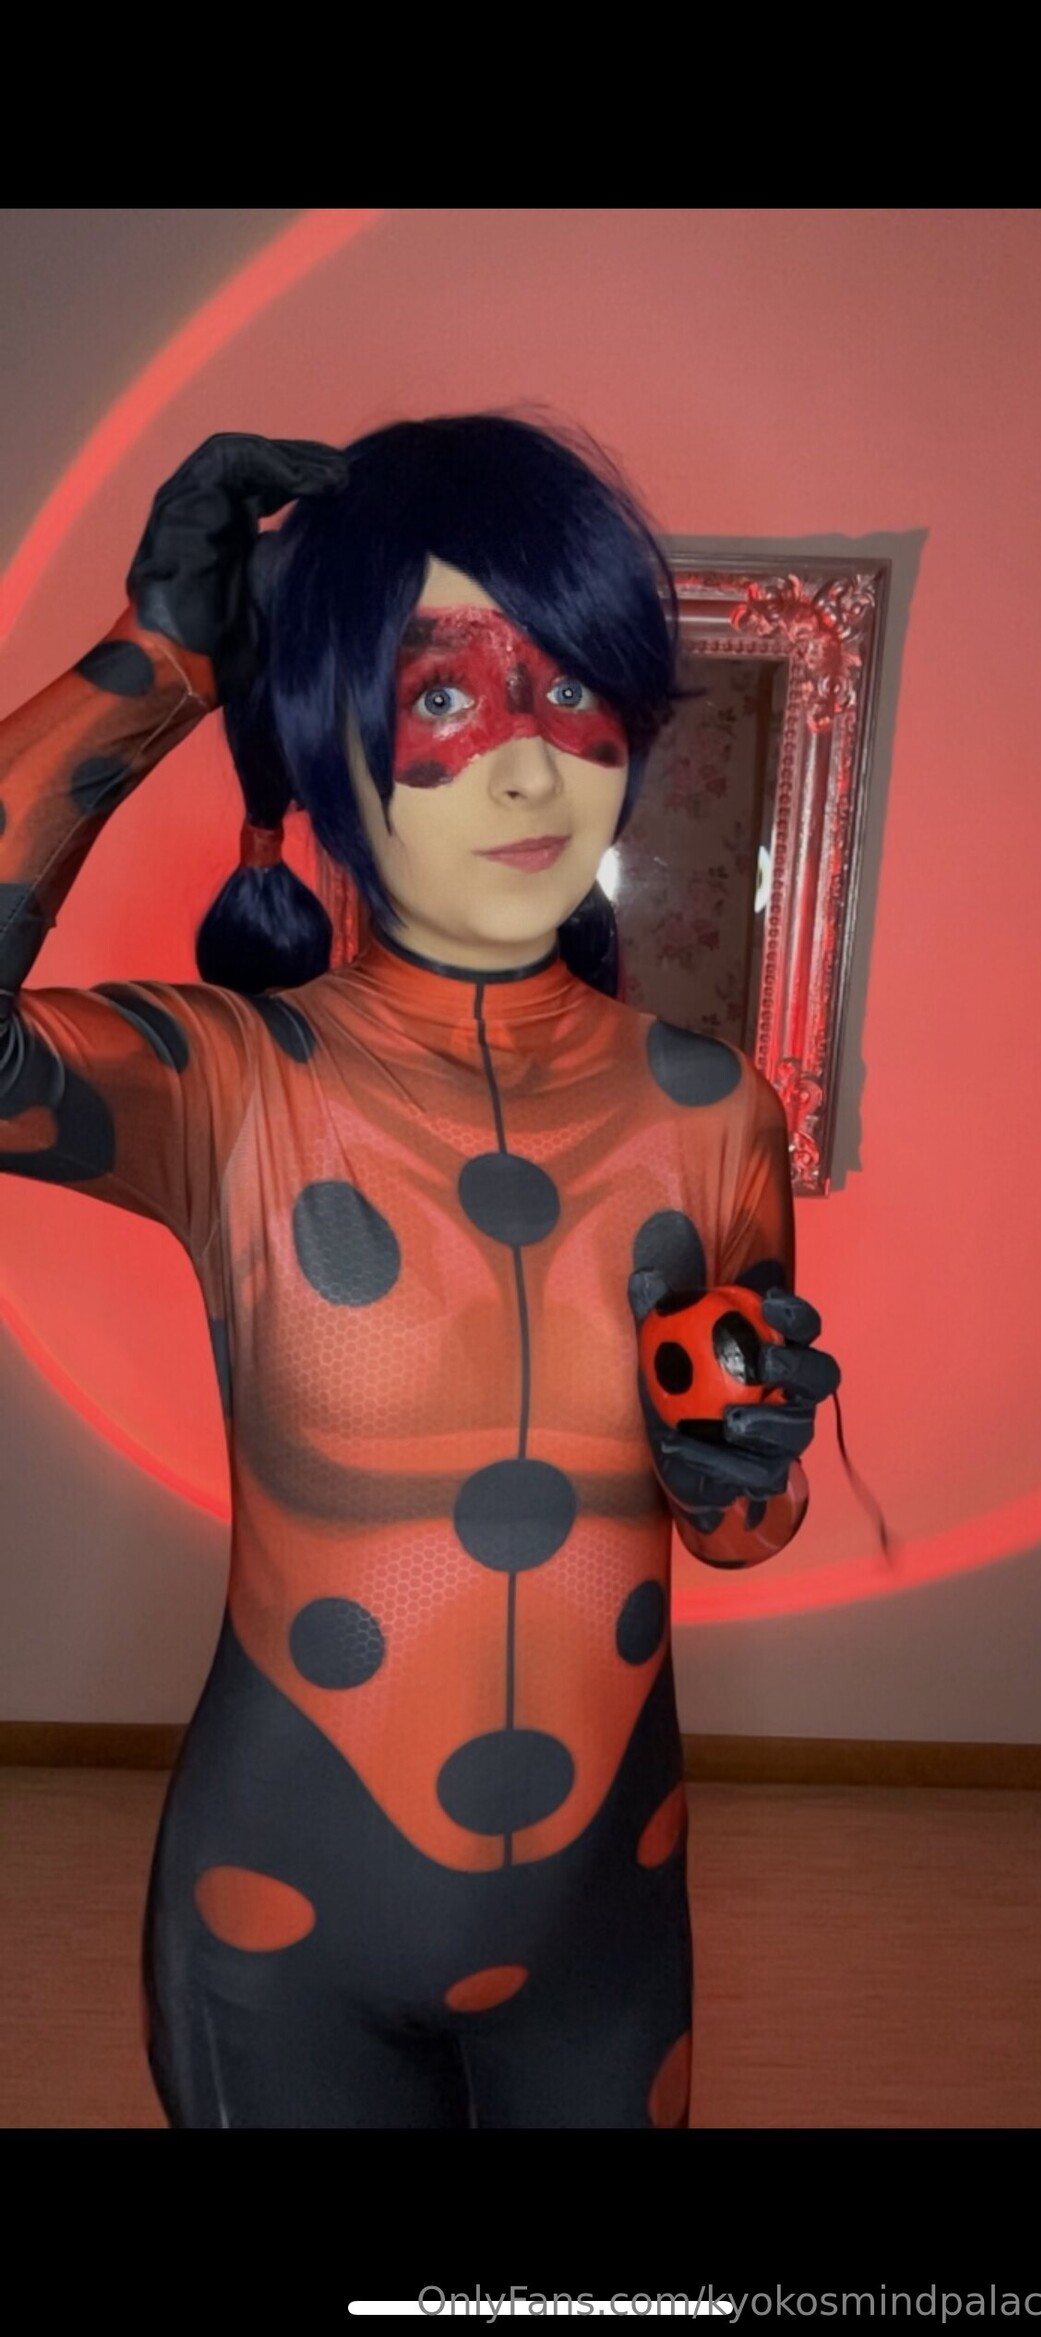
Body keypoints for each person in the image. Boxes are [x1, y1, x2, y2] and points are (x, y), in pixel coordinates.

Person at [0, 418, 840, 2129]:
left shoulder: (715, 1111)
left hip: (607, 1940)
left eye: (568, 685)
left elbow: (744, 1528)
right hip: (279, 1939)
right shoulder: (236, 1081)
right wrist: (156, 660)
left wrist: (738, 1473)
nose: (531, 771)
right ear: (329, 738)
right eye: (443, 693)